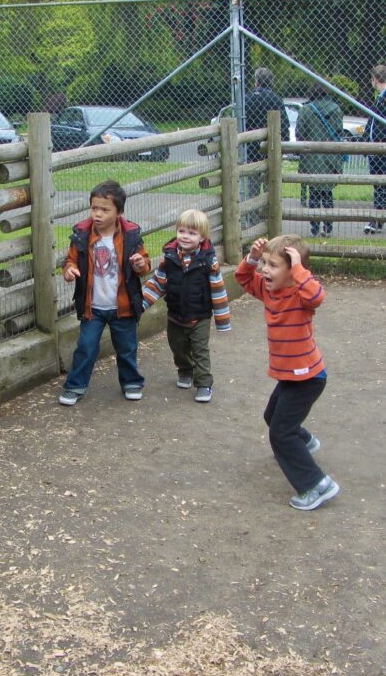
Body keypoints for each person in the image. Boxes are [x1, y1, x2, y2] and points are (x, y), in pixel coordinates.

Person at [234, 234, 339, 511]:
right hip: (291, 377)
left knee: (280, 433)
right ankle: (305, 443)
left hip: (308, 378)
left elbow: (317, 295)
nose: (265, 270)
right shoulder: (269, 290)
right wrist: (253, 258)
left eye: (273, 265)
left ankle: (316, 485)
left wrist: (298, 269)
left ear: (292, 270)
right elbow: (243, 278)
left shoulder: (300, 294)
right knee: (272, 417)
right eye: (265, 264)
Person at [58, 180, 151, 406]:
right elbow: (69, 261)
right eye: (94, 208)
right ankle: (75, 386)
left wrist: (140, 265)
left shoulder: (130, 236)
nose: (98, 214)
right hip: (93, 307)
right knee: (86, 347)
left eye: (105, 209)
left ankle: (131, 382)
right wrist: (69, 270)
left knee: (127, 348)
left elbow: (145, 265)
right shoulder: (82, 235)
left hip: (123, 306)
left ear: (119, 212)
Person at [140, 209, 231, 403]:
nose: (185, 237)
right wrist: (140, 303)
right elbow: (157, 283)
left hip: (200, 316)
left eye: (192, 233)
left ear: (202, 237)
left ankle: (204, 383)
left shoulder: (208, 262)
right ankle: (185, 370)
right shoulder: (170, 259)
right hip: (175, 315)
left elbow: (218, 290)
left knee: (200, 350)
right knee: (178, 346)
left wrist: (222, 320)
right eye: (182, 231)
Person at [242, 68, 290, 228]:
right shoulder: (275, 99)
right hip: (271, 150)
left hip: (250, 151)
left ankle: (253, 222)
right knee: (272, 186)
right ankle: (271, 219)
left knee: (252, 189)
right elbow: (284, 125)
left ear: (256, 81)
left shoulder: (246, 99)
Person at [295, 84, 343, 238]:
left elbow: (299, 133)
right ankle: (328, 228)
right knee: (327, 193)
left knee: (314, 194)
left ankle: (314, 229)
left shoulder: (306, 110)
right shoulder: (336, 109)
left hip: (311, 158)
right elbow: (339, 132)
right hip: (330, 157)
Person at [363, 64, 386, 234]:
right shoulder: (380, 98)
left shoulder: (383, 100)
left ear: (375, 79)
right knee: (379, 185)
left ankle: (377, 221)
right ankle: (377, 220)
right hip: (375, 151)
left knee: (381, 185)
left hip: (381, 150)